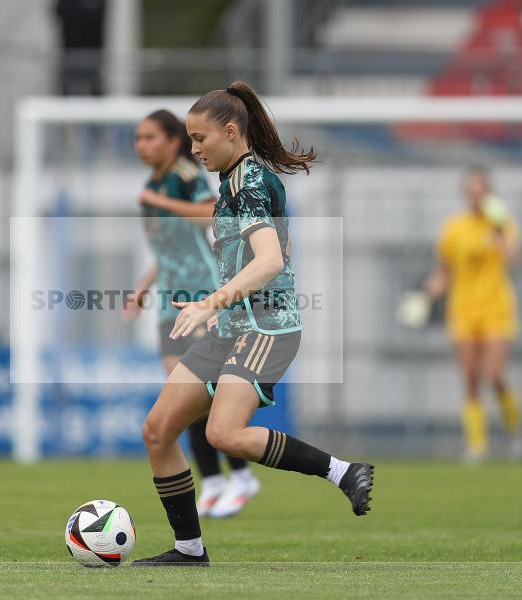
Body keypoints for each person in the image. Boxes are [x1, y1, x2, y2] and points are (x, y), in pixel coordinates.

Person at [133, 82, 374, 567]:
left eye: (200, 139)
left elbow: (266, 261)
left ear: (230, 131)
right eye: (189, 139)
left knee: (223, 433)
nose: (194, 149)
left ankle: (342, 470)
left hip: (267, 327)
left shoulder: (250, 184)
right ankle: (189, 550)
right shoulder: (234, 182)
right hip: (230, 327)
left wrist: (209, 303)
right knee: (159, 430)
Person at [125, 109, 262, 519]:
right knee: (180, 398)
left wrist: (158, 202)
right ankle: (216, 480)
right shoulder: (154, 182)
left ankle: (238, 475)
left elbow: (208, 214)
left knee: (195, 397)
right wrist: (144, 286)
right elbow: (167, 246)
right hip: (169, 298)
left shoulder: (185, 175)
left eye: (149, 137)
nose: (141, 145)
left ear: (172, 141)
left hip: (199, 293)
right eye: (137, 137)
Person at [423, 166, 522, 462]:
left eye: (482, 189)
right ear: (466, 194)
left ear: (489, 193)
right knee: (470, 378)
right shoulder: (454, 227)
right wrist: (427, 293)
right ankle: (477, 446)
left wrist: (499, 227)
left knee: (494, 375)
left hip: (496, 309)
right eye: (472, 190)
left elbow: (513, 257)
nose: (477, 195)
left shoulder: (502, 224)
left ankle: (514, 428)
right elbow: (444, 271)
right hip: (463, 311)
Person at [55, 0, 105, 96]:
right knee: (65, 91)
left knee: (96, 91)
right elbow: (58, 11)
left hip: (92, 56)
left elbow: (96, 16)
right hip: (70, 54)